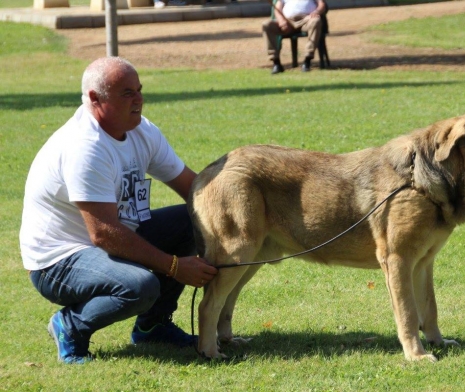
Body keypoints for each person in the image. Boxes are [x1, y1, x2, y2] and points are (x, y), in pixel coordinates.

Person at [19, 57, 218, 364]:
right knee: (140, 286)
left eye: (139, 89)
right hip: (58, 261)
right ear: (95, 99)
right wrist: (175, 266)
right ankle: (70, 326)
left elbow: (194, 189)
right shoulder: (85, 147)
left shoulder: (141, 130)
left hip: (112, 236)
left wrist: (238, 218)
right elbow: (103, 233)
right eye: (126, 93)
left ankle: (153, 326)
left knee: (193, 217)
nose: (138, 99)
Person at [262, 0, 326, 74]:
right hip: (287, 22)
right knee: (267, 25)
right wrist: (281, 20)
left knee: (316, 21)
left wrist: (316, 12)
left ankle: (307, 61)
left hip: (307, 19)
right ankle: (276, 63)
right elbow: (277, 9)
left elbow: (322, 4)